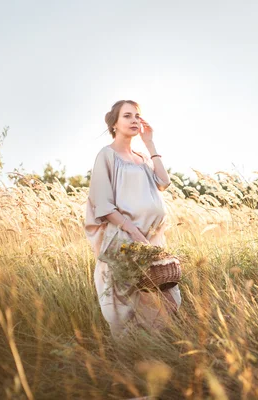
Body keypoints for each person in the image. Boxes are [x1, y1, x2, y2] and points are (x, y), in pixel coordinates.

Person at [84, 100, 181, 336]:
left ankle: (154, 349)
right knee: (124, 300)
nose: (135, 120)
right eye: (127, 116)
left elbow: (164, 182)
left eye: (137, 115)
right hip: (125, 238)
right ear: (114, 124)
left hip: (152, 239)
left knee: (163, 297)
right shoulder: (106, 155)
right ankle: (128, 355)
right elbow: (103, 204)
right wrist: (133, 232)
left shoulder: (142, 158)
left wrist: (150, 144)